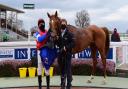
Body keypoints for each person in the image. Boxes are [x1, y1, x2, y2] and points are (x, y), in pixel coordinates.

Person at [34, 18, 57, 89]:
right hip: (40, 51)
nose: (42, 25)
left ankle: (48, 87)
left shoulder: (47, 31)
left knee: (47, 69)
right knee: (40, 69)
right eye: (40, 24)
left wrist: (53, 36)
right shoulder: (36, 33)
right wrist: (47, 35)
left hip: (47, 52)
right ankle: (40, 87)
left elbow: (52, 39)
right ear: (38, 25)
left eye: (43, 23)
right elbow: (39, 39)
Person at [57, 19, 75, 89]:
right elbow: (58, 44)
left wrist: (66, 48)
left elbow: (73, 43)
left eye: (64, 24)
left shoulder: (70, 34)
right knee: (62, 70)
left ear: (66, 25)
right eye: (62, 24)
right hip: (60, 54)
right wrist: (56, 39)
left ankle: (69, 84)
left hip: (67, 54)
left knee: (68, 69)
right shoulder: (59, 34)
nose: (63, 25)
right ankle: (62, 84)